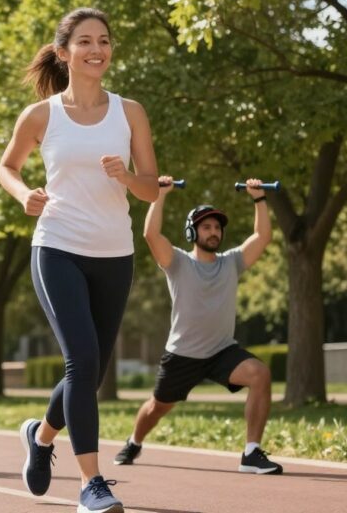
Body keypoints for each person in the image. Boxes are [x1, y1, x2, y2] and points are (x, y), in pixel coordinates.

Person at [0, 7, 158, 513]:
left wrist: (127, 178)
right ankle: (92, 482)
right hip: (58, 246)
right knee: (82, 360)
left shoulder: (129, 111)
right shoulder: (42, 115)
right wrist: (23, 194)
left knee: (89, 373)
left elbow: (153, 186)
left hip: (115, 252)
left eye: (104, 41)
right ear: (64, 52)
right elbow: (7, 166)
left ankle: (41, 436)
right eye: (85, 41)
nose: (97, 50)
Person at [114, 176, 282, 474]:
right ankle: (135, 441)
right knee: (157, 408)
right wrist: (159, 195)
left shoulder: (231, 262)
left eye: (217, 227)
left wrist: (259, 199)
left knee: (260, 374)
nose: (213, 231)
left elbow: (262, 237)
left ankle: (251, 453)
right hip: (183, 355)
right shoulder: (178, 262)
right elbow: (151, 235)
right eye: (206, 226)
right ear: (193, 231)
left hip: (221, 352)